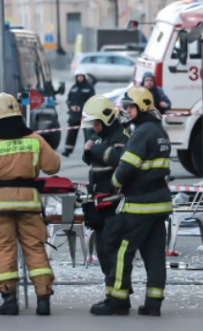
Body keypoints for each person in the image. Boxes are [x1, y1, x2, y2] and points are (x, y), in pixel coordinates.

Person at [0, 93, 61, 316]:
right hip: (29, 204)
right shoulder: (35, 139)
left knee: (3, 248)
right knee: (35, 247)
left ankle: (9, 300)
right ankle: (43, 299)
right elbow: (53, 166)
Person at [90, 86, 172, 317]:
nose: (127, 110)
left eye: (130, 106)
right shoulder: (159, 130)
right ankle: (153, 304)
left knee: (120, 249)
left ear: (142, 106)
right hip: (160, 203)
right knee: (154, 255)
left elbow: (126, 167)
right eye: (126, 106)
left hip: (141, 204)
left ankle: (117, 301)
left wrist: (115, 183)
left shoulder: (143, 132)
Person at [81, 96, 130, 286]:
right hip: (100, 203)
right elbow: (93, 158)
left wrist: (97, 150)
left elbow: (118, 157)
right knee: (102, 250)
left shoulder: (119, 135)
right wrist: (88, 151)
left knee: (111, 249)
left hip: (114, 203)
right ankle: (111, 289)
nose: (94, 127)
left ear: (106, 120)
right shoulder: (100, 136)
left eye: (97, 123)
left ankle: (117, 292)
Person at [62, 69, 95, 158]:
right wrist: (71, 106)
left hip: (85, 115)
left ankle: (88, 152)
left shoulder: (89, 88)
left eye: (81, 77)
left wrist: (80, 107)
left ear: (84, 77)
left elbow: (91, 101)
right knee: (71, 133)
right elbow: (68, 100)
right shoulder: (74, 88)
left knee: (88, 134)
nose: (80, 78)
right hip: (74, 115)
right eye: (78, 77)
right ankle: (67, 150)